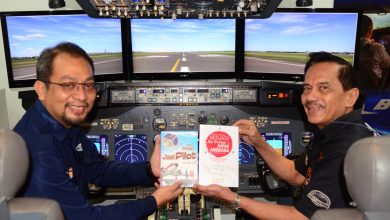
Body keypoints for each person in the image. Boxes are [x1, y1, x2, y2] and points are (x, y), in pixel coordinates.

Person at [194, 52, 375, 219]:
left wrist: (232, 198)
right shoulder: (336, 130)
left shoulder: (346, 148)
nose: (310, 97)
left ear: (350, 97)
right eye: (307, 88)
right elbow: (296, 174)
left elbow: (299, 217)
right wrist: (258, 142)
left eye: (324, 88)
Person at [13, 42, 184, 220]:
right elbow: (88, 218)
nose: (81, 96)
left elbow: (98, 170)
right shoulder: (39, 151)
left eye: (88, 85)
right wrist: (153, 201)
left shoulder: (64, 124)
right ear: (41, 90)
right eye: (68, 85)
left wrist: (150, 171)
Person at [359, 15, 390, 90]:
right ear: (370, 30)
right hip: (376, 86)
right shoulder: (377, 47)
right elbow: (388, 64)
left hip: (358, 84)